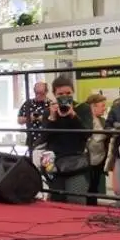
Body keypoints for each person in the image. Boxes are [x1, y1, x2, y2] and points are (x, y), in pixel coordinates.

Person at [39, 76, 92, 204]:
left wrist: (73, 116)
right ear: (54, 94)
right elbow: (44, 139)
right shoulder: (49, 112)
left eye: (68, 93)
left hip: (76, 163)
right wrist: (52, 118)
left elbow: (87, 134)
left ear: (73, 92)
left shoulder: (83, 108)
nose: (64, 97)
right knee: (57, 201)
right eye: (60, 94)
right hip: (54, 163)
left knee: (76, 200)